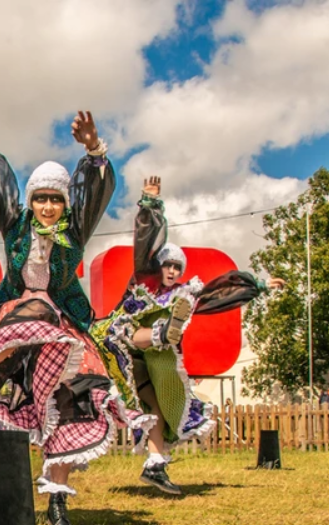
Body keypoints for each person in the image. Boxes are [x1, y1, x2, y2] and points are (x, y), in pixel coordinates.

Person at [0, 94, 154, 525]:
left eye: (55, 199)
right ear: (30, 202)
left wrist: (93, 152)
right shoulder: (15, 228)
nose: (48, 207)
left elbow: (96, 194)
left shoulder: (73, 232)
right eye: (41, 199)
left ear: (64, 203)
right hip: (18, 322)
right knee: (34, 307)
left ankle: (57, 505)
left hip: (63, 327)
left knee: (71, 401)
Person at [92, 175, 285, 494]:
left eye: (176, 268)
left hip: (143, 366)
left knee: (156, 410)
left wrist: (260, 286)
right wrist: (150, 203)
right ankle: (162, 333)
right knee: (125, 331)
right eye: (166, 265)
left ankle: (155, 466)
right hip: (114, 342)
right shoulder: (145, 280)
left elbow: (219, 295)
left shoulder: (184, 295)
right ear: (159, 265)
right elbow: (144, 242)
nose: (170, 272)